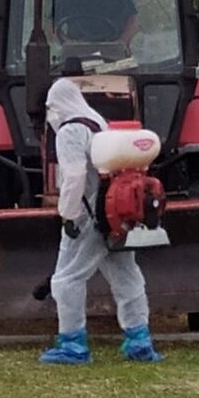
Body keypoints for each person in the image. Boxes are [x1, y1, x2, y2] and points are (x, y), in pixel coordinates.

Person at [39, 78, 163, 365]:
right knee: (126, 276)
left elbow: (73, 176)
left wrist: (67, 214)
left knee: (67, 279)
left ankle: (73, 345)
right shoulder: (98, 122)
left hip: (88, 217)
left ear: (55, 105)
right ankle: (139, 341)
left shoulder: (70, 131)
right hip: (118, 215)